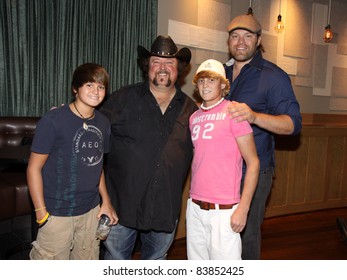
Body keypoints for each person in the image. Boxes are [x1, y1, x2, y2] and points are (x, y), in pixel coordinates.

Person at [100, 35, 198, 260]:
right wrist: (73, 113)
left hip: (164, 209)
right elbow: (92, 128)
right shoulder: (121, 99)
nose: (163, 68)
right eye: (156, 61)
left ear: (178, 69)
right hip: (121, 208)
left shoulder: (191, 110)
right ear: (147, 66)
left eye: (170, 63)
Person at [224, 14, 302, 259]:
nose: (240, 42)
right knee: (221, 236)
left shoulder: (273, 76)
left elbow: (293, 124)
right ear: (228, 40)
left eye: (248, 36)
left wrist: (254, 116)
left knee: (246, 237)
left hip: (254, 172)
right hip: (222, 171)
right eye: (235, 36)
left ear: (258, 40)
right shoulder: (220, 73)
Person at [27, 63, 118, 260]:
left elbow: (98, 165)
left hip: (91, 212)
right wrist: (41, 213)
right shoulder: (53, 120)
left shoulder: (103, 122)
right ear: (75, 88)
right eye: (89, 85)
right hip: (57, 213)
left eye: (101, 87)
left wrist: (106, 202)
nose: (96, 91)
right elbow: (34, 168)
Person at [186, 59, 259, 260]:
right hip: (195, 207)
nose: (205, 85)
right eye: (201, 81)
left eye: (211, 80)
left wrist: (243, 209)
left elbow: (253, 163)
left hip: (224, 210)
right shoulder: (194, 118)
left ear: (223, 85)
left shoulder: (233, 112)